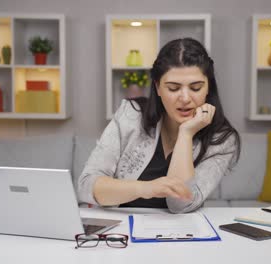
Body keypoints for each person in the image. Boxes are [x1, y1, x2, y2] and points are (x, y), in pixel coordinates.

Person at [78, 38, 241, 213]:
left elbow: (180, 204)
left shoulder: (222, 140)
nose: (185, 98)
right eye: (173, 88)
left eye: (195, 88)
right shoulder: (131, 115)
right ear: (157, 88)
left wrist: (185, 134)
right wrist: (146, 188)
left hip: (182, 233)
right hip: (121, 230)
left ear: (208, 87)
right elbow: (87, 186)